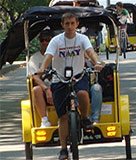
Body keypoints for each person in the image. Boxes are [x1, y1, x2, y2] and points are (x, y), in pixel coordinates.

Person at [37, 12, 103, 160]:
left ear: (77, 24)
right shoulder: (56, 40)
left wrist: (97, 62)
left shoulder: (82, 38)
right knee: (63, 117)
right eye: (67, 24)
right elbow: (48, 56)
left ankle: (85, 118)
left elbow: (90, 52)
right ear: (62, 25)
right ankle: (63, 149)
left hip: (79, 76)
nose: (70, 27)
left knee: (83, 94)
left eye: (72, 23)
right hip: (59, 79)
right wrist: (42, 69)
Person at [28, 29, 53, 128]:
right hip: (43, 88)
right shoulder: (34, 58)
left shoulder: (58, 55)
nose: (44, 42)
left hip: (58, 83)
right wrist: (46, 89)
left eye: (47, 40)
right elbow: (34, 77)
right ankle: (44, 120)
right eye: (42, 40)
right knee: (36, 90)